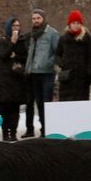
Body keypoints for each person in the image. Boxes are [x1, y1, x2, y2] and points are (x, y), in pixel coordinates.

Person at [24, 8, 58, 137]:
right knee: (38, 102)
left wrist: (49, 63)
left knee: (46, 103)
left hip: (47, 73)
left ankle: (47, 129)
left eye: (38, 18)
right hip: (33, 72)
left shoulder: (52, 33)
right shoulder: (33, 34)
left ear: (43, 18)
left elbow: (57, 52)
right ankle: (42, 127)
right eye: (33, 19)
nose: (36, 21)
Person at [0, 18, 28, 141]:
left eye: (18, 26)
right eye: (14, 26)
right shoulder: (2, 41)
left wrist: (16, 55)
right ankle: (5, 132)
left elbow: (24, 57)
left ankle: (13, 132)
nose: (16, 28)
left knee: (14, 109)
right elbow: (2, 55)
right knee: (4, 109)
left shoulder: (23, 41)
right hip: (3, 80)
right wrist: (12, 43)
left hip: (16, 78)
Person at [56, 10, 91, 102]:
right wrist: (62, 63)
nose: (76, 25)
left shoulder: (86, 38)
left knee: (81, 104)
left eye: (78, 23)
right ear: (69, 24)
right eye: (74, 23)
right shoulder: (63, 39)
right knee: (66, 104)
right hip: (67, 78)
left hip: (82, 78)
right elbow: (57, 54)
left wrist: (90, 73)